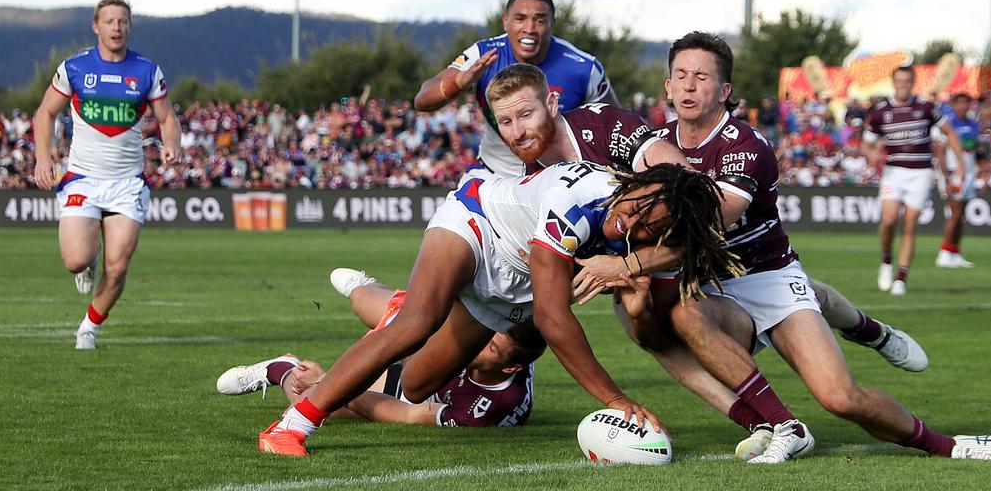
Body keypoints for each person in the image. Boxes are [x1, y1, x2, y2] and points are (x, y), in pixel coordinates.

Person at [486, 63, 930, 463]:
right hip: (653, 256)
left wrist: (627, 265)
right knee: (655, 335)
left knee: (798, 297)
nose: (517, 130)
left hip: (726, 249)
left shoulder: (609, 127)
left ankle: (867, 330)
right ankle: (766, 425)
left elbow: (697, 216)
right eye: (505, 122)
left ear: (552, 103)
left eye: (525, 115)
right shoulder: (527, 179)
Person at [654, 32, 991, 462]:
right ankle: (785, 426)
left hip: (767, 278)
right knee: (682, 313)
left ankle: (950, 443)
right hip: (712, 286)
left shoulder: (747, 145)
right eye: (681, 76)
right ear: (668, 87)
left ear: (725, 91)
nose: (690, 86)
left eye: (702, 77)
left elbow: (713, 222)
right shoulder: (652, 143)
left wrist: (628, 258)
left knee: (840, 398)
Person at [256, 160, 737, 456]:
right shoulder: (576, 205)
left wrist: (632, 260)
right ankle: (290, 428)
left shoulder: (653, 225)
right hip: (477, 223)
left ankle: (302, 368)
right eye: (632, 205)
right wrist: (616, 399)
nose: (626, 218)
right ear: (634, 183)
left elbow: (696, 243)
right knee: (415, 325)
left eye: (644, 224)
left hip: (513, 284)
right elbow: (552, 318)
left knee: (419, 384)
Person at [32, 0, 181, 350]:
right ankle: (88, 262)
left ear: (129, 27)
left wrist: (171, 142)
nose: (117, 27)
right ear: (96, 27)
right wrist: (42, 157)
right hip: (82, 178)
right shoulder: (75, 68)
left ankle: (88, 328)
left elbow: (166, 117)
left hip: (127, 184)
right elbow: (44, 114)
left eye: (123, 21)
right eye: (110, 21)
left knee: (118, 268)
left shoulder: (146, 71)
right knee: (76, 260)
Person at [217, 269, 545, 428]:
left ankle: (280, 369)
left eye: (490, 345)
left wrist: (329, 385)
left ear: (511, 367)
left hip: (417, 391)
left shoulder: (486, 408)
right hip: (436, 348)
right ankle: (370, 288)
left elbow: (407, 413)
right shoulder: (505, 331)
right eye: (486, 331)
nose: (481, 339)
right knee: (363, 301)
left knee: (308, 400)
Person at [413, 0, 616, 176]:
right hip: (495, 177)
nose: (529, 28)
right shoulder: (483, 55)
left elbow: (615, 126)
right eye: (520, 18)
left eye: (539, 20)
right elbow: (422, 100)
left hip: (558, 182)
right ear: (505, 21)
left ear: (552, 22)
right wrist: (458, 83)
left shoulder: (584, 67)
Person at [862, 65, 966, 295]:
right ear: (893, 81)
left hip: (921, 172)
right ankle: (886, 260)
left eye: (907, 81)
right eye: (899, 80)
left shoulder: (926, 107)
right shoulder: (881, 111)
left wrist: (959, 164)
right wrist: (872, 156)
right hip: (893, 171)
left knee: (910, 224)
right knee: (889, 220)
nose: (903, 85)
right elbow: (866, 143)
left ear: (912, 82)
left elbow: (950, 132)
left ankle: (901, 277)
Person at [932, 93, 979, 268]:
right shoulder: (948, 124)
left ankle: (955, 252)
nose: (963, 107)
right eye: (959, 103)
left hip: (968, 173)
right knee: (955, 213)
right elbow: (940, 151)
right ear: (953, 105)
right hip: (953, 172)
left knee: (961, 215)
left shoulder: (973, 124)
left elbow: (974, 150)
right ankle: (944, 253)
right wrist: (945, 174)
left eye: (966, 103)